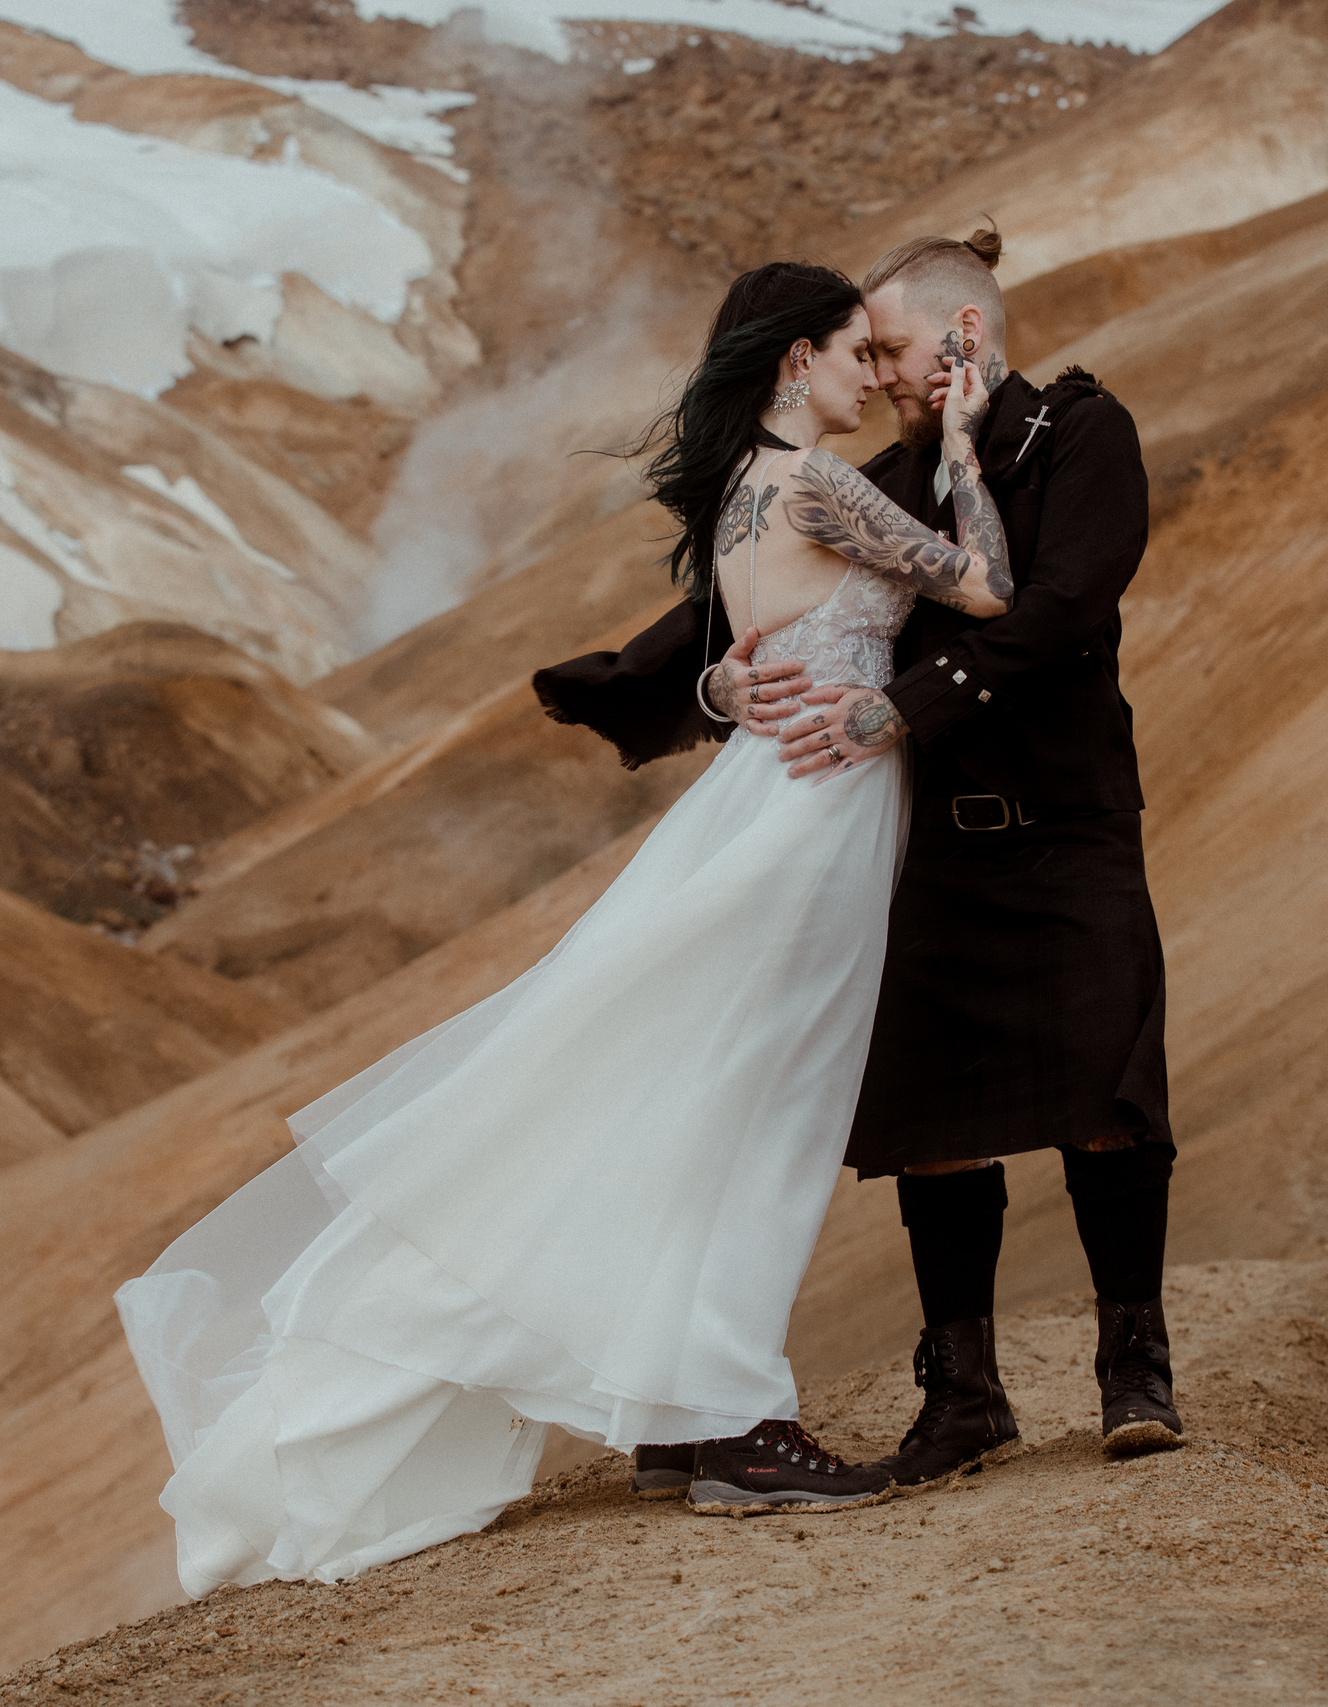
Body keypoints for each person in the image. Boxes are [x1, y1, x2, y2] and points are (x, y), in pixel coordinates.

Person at [117, 259, 1012, 1597]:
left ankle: (690, 1405)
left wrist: (724, 676)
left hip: (764, 800)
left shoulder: (745, 489)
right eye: (846, 352)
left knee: (711, 1094)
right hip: (812, 817)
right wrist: (957, 437)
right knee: (767, 1109)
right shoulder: (821, 481)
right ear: (791, 364)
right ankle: (732, 1419)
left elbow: (747, 645)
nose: (864, 374)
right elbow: (985, 584)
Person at [542, 227, 1181, 1505]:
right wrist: (700, 685)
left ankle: (1134, 1375)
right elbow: (756, 610)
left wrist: (909, 707)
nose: (878, 372)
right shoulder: (877, 470)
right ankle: (963, 1398)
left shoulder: (1081, 435)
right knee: (928, 1123)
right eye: (862, 351)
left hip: (1063, 825)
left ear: (964, 335)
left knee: (1111, 1093)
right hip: (927, 838)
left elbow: (1059, 609)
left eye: (887, 347)